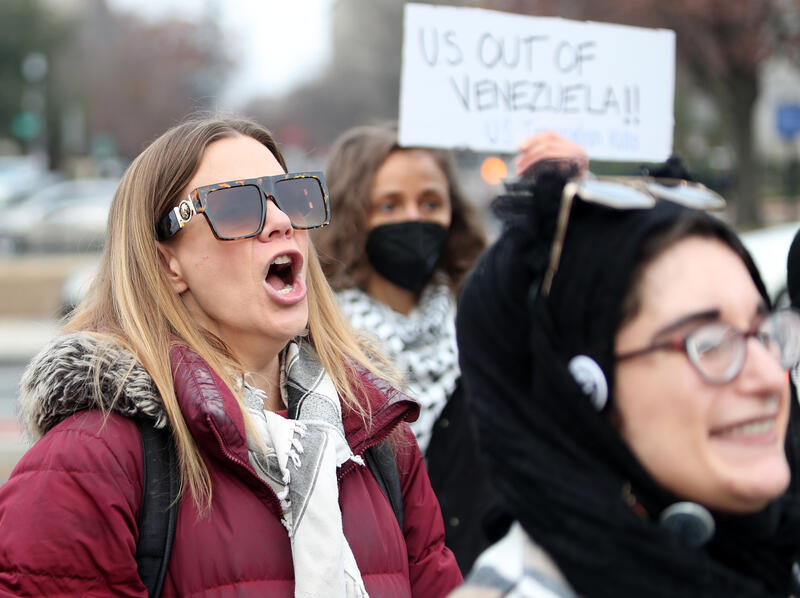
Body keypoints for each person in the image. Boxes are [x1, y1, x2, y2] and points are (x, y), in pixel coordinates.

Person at [0, 116, 462, 597]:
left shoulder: (378, 437)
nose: (281, 221)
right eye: (239, 206)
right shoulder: (88, 462)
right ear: (168, 263)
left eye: (290, 197)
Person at [450, 152, 800, 597]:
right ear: (580, 392)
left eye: (762, 332)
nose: (770, 377)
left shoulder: (768, 558)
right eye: (710, 345)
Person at [313, 123, 491, 572]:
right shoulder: (319, 339)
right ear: (355, 213)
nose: (413, 218)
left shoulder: (484, 319)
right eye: (389, 204)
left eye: (430, 202)